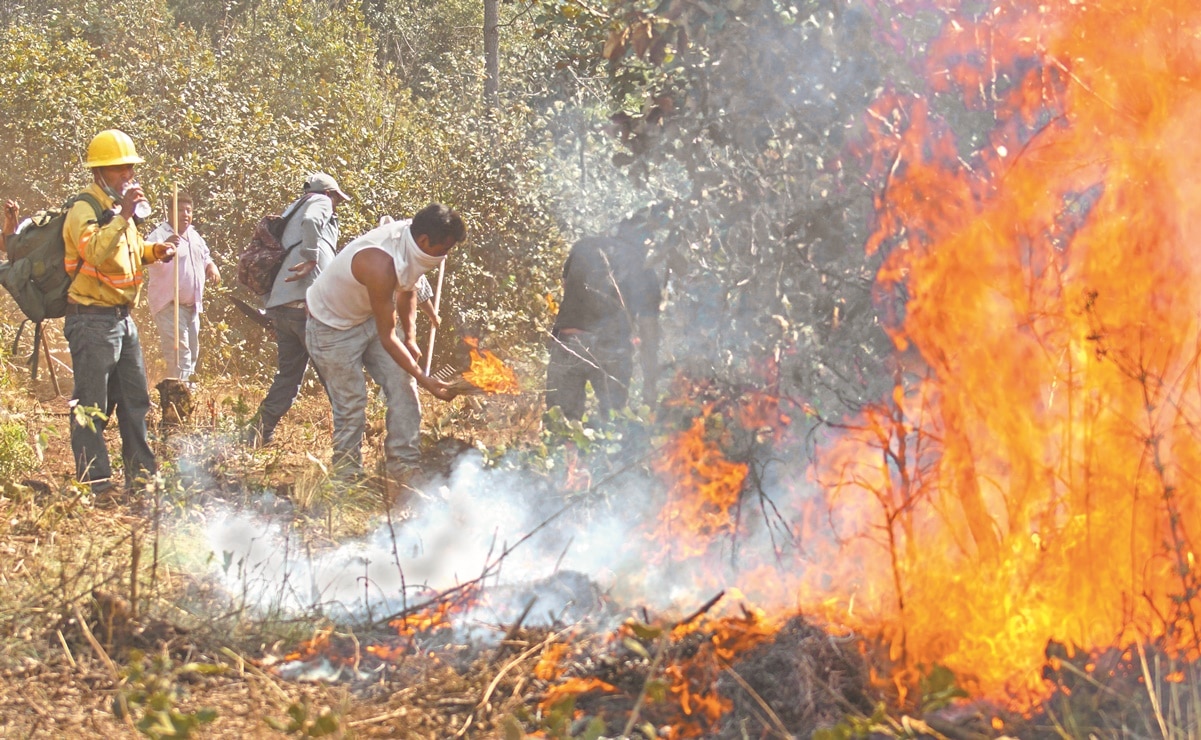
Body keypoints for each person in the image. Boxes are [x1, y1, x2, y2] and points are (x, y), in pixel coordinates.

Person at [304, 203, 466, 483]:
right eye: (444, 249)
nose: (445, 256)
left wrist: (412, 339)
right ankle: (347, 479)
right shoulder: (381, 263)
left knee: (404, 385)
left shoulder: (413, 244)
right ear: (426, 241)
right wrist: (426, 379)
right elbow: (388, 337)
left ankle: (403, 466)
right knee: (351, 402)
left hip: (367, 316)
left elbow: (408, 291)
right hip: (331, 328)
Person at [62, 129, 178, 496]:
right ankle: (95, 483)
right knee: (91, 405)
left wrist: (154, 251)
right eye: (118, 169)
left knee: (133, 400)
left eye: (129, 168)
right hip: (91, 320)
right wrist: (124, 214)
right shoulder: (85, 209)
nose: (127, 175)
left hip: (121, 320)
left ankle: (141, 478)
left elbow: (125, 252)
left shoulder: (116, 212)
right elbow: (94, 252)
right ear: (98, 172)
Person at [247, 172, 349, 446]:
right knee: (335, 375)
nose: (336, 205)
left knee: (288, 378)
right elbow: (313, 221)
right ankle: (349, 441)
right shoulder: (319, 201)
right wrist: (312, 257)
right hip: (308, 308)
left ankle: (257, 434)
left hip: (282, 308)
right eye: (337, 199)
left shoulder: (291, 209)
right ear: (330, 194)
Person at [545, 218, 661, 421]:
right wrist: (650, 382)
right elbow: (648, 329)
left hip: (569, 341)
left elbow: (568, 288)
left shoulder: (583, 246)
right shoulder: (644, 266)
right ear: (645, 241)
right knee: (613, 424)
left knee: (560, 425)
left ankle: (561, 448)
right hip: (612, 349)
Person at [146, 191, 220, 380]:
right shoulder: (159, 235)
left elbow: (205, 255)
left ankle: (186, 396)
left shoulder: (194, 235)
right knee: (180, 356)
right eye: (180, 210)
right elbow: (144, 258)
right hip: (169, 305)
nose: (185, 214)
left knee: (192, 353)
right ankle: (180, 400)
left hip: (192, 306)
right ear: (170, 212)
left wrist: (211, 266)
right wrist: (163, 247)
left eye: (188, 210)